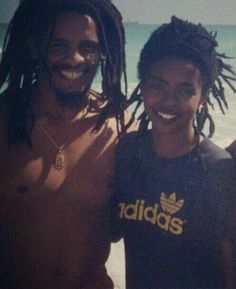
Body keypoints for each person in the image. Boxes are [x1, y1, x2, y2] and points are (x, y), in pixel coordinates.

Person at [0, 0, 128, 288]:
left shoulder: (118, 127)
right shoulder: (6, 122)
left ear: (103, 52)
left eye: (88, 47)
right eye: (59, 45)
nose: (75, 59)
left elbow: (129, 223)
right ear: (35, 47)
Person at [114, 16, 236, 289]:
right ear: (142, 85)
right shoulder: (127, 152)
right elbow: (110, 232)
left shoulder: (218, 169)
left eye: (184, 90)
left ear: (203, 94)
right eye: (157, 85)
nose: (169, 101)